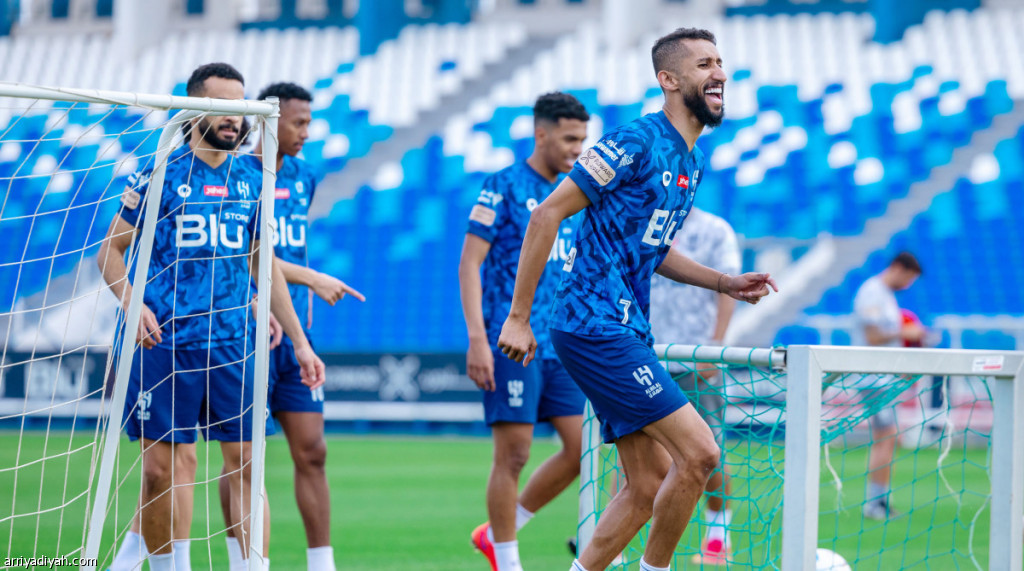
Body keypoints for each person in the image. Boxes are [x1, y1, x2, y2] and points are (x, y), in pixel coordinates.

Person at [497, 28, 777, 571]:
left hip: (625, 326)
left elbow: (653, 248)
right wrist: (518, 317)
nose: (719, 73)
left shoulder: (692, 161)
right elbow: (547, 213)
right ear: (668, 80)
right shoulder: (635, 141)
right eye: (704, 64)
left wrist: (723, 282)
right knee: (700, 453)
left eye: (720, 62)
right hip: (592, 322)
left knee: (646, 483)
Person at [97, 62, 325, 571]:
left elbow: (263, 264)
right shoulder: (160, 173)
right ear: (194, 110)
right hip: (163, 343)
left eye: (239, 108)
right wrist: (131, 302)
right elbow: (110, 252)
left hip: (233, 345)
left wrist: (300, 342)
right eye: (221, 107)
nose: (233, 118)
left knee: (246, 465)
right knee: (161, 472)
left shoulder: (253, 178)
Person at [216, 81, 364, 571]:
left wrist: (296, 305)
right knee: (241, 458)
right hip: (247, 330)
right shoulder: (236, 175)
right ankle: (242, 560)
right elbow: (242, 253)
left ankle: (322, 563)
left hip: (293, 331)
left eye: (309, 123)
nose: (306, 132)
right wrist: (311, 279)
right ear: (268, 122)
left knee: (313, 450)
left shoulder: (303, 177)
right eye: (298, 122)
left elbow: (282, 249)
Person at [458, 92, 590, 571]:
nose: (578, 149)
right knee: (514, 454)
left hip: (562, 342)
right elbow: (469, 264)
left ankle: (498, 532)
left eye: (583, 139)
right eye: (570, 138)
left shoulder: (576, 191)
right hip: (510, 342)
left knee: (582, 452)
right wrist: (478, 339)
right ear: (541, 134)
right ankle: (508, 561)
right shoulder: (504, 186)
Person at [648, 206, 740, 565]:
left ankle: (718, 537)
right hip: (646, 354)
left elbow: (728, 288)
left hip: (696, 357)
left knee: (708, 449)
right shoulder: (646, 218)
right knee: (631, 448)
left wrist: (715, 346)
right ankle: (614, 539)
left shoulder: (716, 229)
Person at [851, 251, 923, 520]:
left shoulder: (885, 296)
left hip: (883, 377)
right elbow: (872, 337)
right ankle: (875, 503)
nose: (908, 285)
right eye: (909, 278)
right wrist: (906, 332)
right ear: (898, 268)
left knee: (887, 438)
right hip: (873, 378)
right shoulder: (872, 292)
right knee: (886, 437)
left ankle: (879, 500)